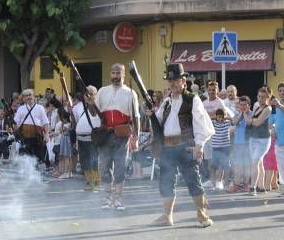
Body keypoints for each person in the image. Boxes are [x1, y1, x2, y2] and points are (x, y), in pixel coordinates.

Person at [149, 63, 214, 227]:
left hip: (186, 146)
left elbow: (201, 124)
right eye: (170, 81)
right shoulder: (166, 103)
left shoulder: (193, 99)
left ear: (184, 81)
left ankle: (202, 214)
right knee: (166, 181)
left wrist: (199, 145)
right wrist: (150, 113)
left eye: (176, 80)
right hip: (167, 147)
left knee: (193, 180)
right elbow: (158, 122)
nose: (172, 83)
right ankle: (167, 215)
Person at [95, 63, 140, 211]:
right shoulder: (102, 91)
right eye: (113, 73)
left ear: (124, 74)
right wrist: (89, 102)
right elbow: (95, 112)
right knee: (104, 167)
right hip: (105, 134)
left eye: (118, 73)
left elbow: (136, 117)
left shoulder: (130, 93)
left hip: (122, 135)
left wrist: (136, 137)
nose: (115, 76)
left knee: (120, 167)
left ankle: (118, 198)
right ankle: (107, 197)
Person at [245, 86, 272, 195]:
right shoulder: (256, 106)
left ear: (268, 97)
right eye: (259, 96)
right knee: (259, 163)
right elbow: (250, 121)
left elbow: (258, 122)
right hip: (253, 138)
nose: (261, 99)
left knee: (255, 161)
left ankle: (253, 188)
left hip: (263, 140)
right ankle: (261, 187)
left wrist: (251, 120)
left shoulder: (268, 108)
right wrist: (251, 120)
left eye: (263, 97)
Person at [75, 86, 102, 192]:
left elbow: (93, 112)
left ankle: (96, 182)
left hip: (92, 138)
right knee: (84, 161)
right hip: (81, 138)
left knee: (94, 160)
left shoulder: (96, 106)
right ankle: (89, 181)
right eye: (86, 94)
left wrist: (91, 102)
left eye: (90, 93)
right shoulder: (79, 106)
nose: (88, 95)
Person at [12, 89, 49, 164]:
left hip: (37, 138)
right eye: (26, 96)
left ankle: (37, 175)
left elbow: (45, 122)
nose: (28, 97)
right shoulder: (21, 109)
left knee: (38, 159)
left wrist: (47, 134)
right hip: (24, 138)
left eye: (30, 95)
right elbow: (15, 122)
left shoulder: (40, 108)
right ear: (24, 98)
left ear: (33, 96)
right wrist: (14, 131)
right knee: (25, 160)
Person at [229, 96, 252, 192]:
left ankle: (246, 184)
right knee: (238, 165)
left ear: (249, 105)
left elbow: (248, 122)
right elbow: (234, 122)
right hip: (238, 144)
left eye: (244, 105)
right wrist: (241, 113)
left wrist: (245, 113)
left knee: (246, 165)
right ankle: (237, 185)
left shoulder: (251, 114)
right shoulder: (237, 114)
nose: (242, 106)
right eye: (241, 105)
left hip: (248, 144)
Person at [210, 108, 232, 191]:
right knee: (214, 167)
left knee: (225, 166)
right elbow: (207, 119)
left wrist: (227, 117)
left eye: (222, 117)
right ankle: (213, 184)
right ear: (216, 116)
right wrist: (214, 117)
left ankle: (223, 183)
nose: (221, 119)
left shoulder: (227, 123)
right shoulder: (213, 123)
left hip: (225, 147)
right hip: (215, 147)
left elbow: (233, 119)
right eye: (219, 117)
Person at [272, 84, 284, 193]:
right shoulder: (274, 106)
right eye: (280, 91)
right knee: (281, 166)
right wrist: (272, 129)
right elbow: (271, 120)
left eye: (283, 90)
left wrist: (279, 105)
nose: (282, 92)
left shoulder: (279, 105)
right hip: (279, 140)